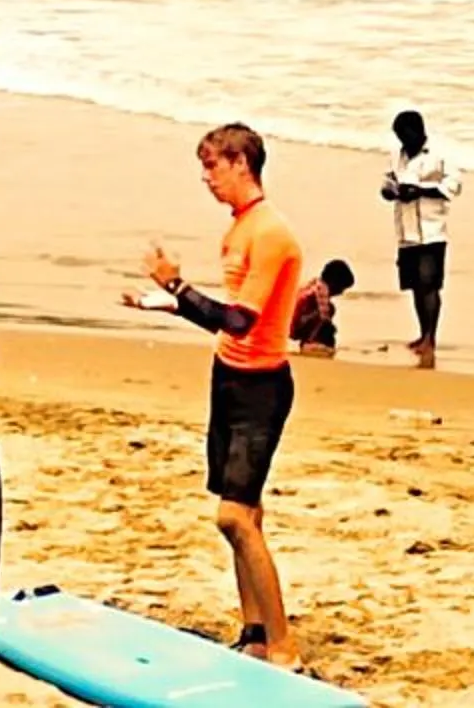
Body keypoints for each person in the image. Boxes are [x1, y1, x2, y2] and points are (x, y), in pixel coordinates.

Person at [126, 123, 307, 666]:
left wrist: (178, 288)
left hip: (260, 389)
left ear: (241, 164)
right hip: (226, 378)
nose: (206, 178)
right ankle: (254, 631)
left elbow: (241, 321)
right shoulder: (239, 229)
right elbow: (225, 324)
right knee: (244, 514)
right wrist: (164, 303)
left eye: (212, 167)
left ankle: (284, 645)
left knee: (232, 518)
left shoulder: (272, 234)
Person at [379, 109, 461, 367]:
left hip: (432, 230)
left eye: (405, 135)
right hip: (406, 232)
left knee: (429, 285)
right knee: (415, 286)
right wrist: (391, 192)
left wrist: (421, 190)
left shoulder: (439, 154)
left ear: (419, 131)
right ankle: (421, 333)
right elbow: (386, 183)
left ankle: (431, 337)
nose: (402, 141)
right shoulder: (397, 156)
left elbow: (454, 186)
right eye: (399, 136)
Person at [291, 259, 356, 354]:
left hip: (287, 321)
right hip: (292, 324)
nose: (341, 293)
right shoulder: (321, 292)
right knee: (329, 313)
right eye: (341, 288)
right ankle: (310, 343)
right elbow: (325, 319)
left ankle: (311, 341)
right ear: (334, 283)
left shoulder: (314, 284)